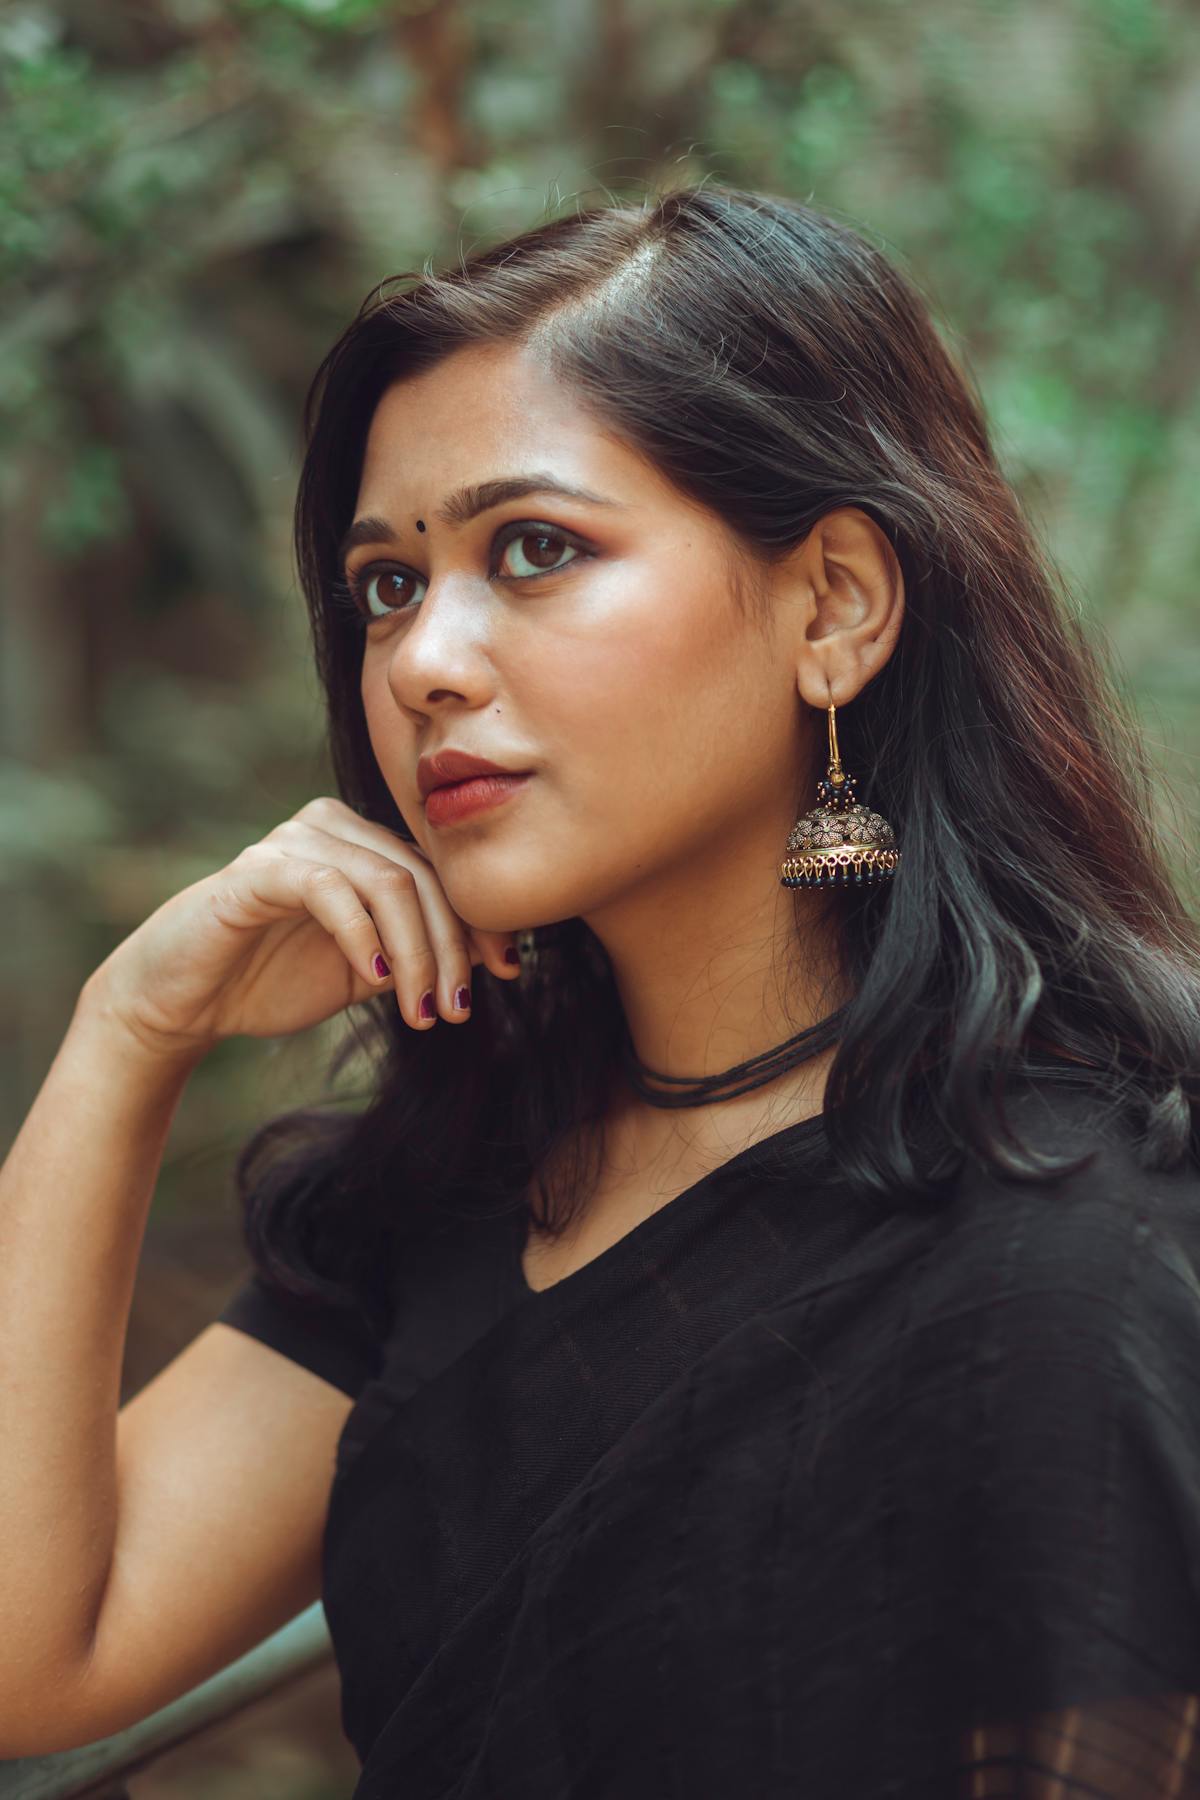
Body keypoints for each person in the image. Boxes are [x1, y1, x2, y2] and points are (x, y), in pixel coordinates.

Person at [2, 184, 1199, 1797]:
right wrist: (124, 1033)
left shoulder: (1073, 1247)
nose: (424, 659)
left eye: (535, 549)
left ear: (834, 605)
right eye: (387, 584)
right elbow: (33, 1651)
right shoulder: (448, 1195)